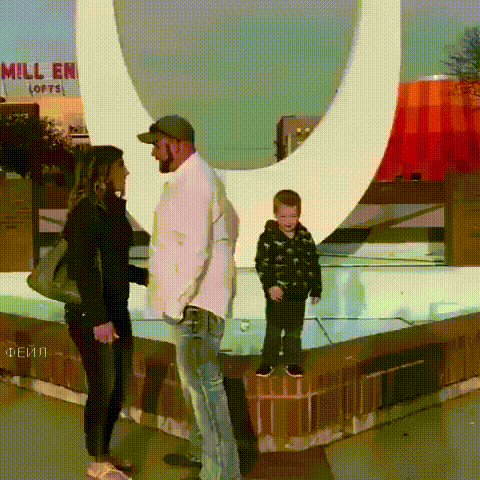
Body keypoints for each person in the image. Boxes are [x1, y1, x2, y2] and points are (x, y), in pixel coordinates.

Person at [137, 115, 241, 480]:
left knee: (205, 393)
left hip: (195, 306)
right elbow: (230, 225)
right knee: (194, 387)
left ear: (176, 144)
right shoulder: (193, 179)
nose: (153, 153)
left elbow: (197, 250)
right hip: (195, 302)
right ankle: (201, 453)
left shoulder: (195, 182)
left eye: (157, 145)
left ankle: (222, 473)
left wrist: (177, 303)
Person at [63, 146, 148, 480]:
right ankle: (98, 459)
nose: (126, 172)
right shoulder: (85, 212)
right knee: (103, 385)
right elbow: (82, 269)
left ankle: (105, 451)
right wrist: (99, 319)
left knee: (120, 386)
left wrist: (148, 278)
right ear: (103, 173)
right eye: (120, 166)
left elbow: (114, 265)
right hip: (91, 314)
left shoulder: (112, 210)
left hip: (116, 310)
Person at [255, 189, 322, 377]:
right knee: (274, 330)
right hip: (277, 295)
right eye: (283, 216)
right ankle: (268, 361)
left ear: (299, 215)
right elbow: (262, 264)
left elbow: (313, 263)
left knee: (294, 331)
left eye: (293, 216)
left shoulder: (305, 237)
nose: (288, 221)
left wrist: (316, 289)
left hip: (298, 295)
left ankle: (292, 362)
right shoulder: (268, 238)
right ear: (275, 215)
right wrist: (271, 286)